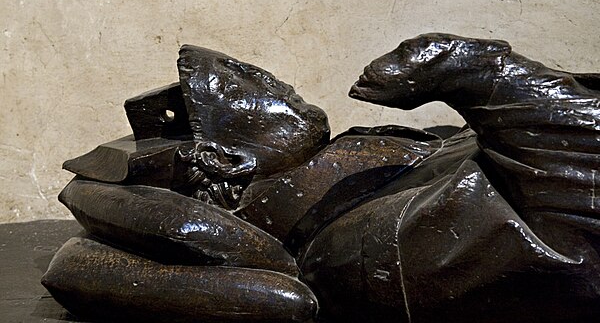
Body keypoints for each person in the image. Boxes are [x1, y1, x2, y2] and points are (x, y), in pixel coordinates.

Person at [44, 39, 600, 323]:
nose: (274, 79)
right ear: (227, 161)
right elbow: (573, 203)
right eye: (247, 84)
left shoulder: (382, 162)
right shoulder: (366, 246)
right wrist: (476, 69)